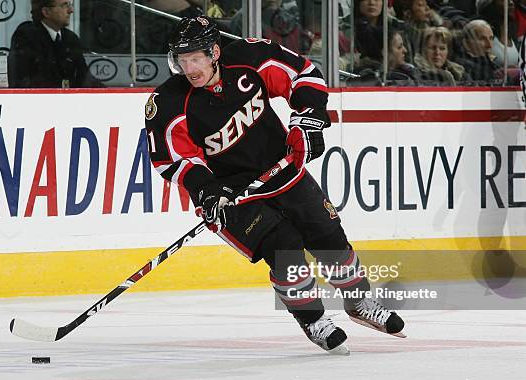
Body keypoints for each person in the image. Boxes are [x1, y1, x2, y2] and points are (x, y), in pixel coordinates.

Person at [144, 16, 405, 354]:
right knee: (285, 246)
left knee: (330, 239)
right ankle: (313, 319)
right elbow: (172, 158)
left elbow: (304, 75)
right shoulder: (167, 102)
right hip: (232, 197)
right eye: (182, 60)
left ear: (214, 52)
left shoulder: (250, 58)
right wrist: (207, 189)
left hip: (282, 172)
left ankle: (359, 303)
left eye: (195, 58)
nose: (189, 68)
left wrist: (306, 123)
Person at [8, 0, 103, 88]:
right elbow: (23, 82)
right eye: (64, 5)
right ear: (46, 12)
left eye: (70, 5)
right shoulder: (27, 36)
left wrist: (111, 96)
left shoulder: (71, 38)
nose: (71, 10)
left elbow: (84, 78)